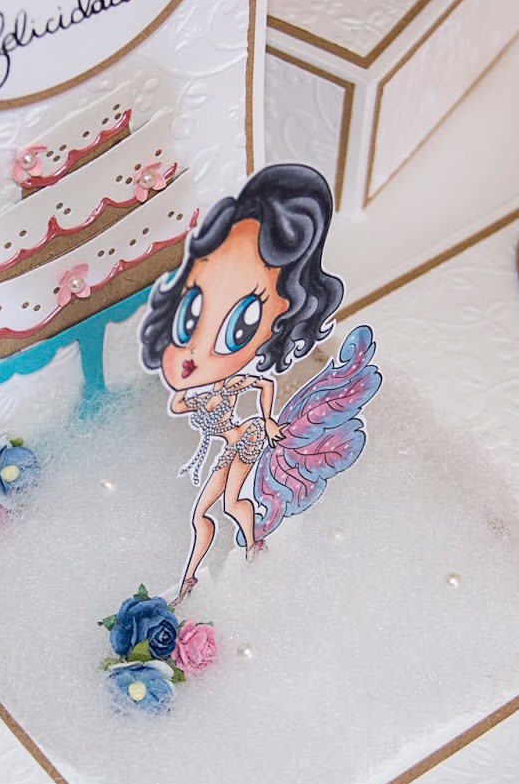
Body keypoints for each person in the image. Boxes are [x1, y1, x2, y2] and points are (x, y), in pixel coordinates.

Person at [140, 164, 380, 602]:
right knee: (203, 513)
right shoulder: (208, 391)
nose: (198, 352)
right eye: (191, 314)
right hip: (232, 444)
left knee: (229, 505)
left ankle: (250, 550)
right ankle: (195, 576)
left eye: (237, 328)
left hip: (247, 440)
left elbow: (262, 383)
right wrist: (193, 396)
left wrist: (267, 421)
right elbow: (177, 404)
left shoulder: (229, 385)